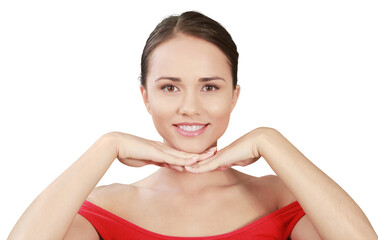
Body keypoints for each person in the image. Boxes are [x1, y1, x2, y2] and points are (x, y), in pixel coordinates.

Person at [8, 11, 377, 240]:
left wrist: (271, 141)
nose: (190, 107)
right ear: (145, 96)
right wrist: (107, 145)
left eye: (210, 87)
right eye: (170, 87)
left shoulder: (280, 197)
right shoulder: (106, 206)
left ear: (234, 96)